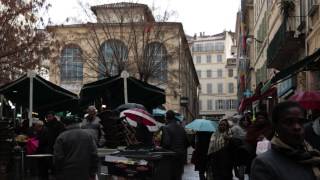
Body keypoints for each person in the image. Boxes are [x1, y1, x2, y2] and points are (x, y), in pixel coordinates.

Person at [251, 101, 320, 180]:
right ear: (276, 127)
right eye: (289, 122)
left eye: (301, 122)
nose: (297, 127)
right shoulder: (264, 164)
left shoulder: (313, 155)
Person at [53, 115, 99, 180]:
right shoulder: (88, 136)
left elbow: (58, 157)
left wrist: (58, 172)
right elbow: (94, 154)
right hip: (85, 172)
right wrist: (93, 172)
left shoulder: (61, 137)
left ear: (65, 124)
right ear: (79, 124)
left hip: (67, 173)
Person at [161, 110, 189, 180]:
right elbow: (187, 143)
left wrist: (161, 147)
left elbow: (166, 143)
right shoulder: (181, 128)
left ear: (167, 118)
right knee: (178, 176)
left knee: (171, 176)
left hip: (171, 157)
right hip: (181, 156)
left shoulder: (166, 128)